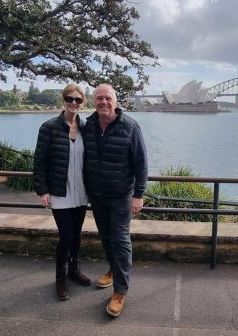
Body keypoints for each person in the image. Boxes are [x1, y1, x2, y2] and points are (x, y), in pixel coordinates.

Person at [83, 84, 148, 317]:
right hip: (97, 196)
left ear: (115, 101)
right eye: (99, 98)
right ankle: (112, 270)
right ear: (94, 101)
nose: (103, 102)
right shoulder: (88, 125)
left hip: (121, 196)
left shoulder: (130, 126)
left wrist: (138, 195)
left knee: (120, 239)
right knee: (106, 237)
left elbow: (141, 163)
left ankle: (120, 291)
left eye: (107, 98)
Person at [33, 84, 91, 301]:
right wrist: (43, 190)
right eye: (70, 98)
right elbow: (40, 161)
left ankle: (74, 270)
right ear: (63, 100)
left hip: (81, 193)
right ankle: (60, 277)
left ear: (84, 102)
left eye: (78, 99)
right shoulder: (49, 127)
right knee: (66, 236)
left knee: (76, 235)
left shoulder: (86, 127)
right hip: (59, 192)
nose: (74, 103)